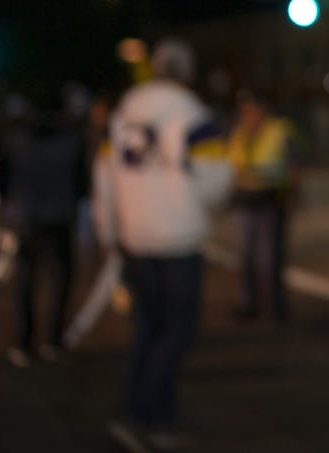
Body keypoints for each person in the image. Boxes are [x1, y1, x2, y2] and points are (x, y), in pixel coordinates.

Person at [93, 38, 233, 451]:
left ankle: (160, 420)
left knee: (148, 328)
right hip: (178, 237)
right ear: (187, 72)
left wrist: (108, 231)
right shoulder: (193, 115)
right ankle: (137, 412)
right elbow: (216, 181)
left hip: (135, 235)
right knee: (178, 331)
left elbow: (103, 176)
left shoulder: (123, 113)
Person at [0, 84, 89, 365]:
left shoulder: (15, 140)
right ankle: (53, 339)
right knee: (61, 281)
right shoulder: (72, 141)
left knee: (25, 281)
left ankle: (24, 341)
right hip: (59, 217)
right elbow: (82, 184)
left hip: (25, 217)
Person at [225, 88, 301, 321]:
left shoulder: (279, 131)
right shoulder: (238, 134)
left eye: (252, 109)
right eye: (245, 111)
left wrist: (294, 196)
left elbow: (293, 166)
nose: (249, 115)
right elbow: (231, 167)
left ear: (264, 109)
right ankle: (248, 304)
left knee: (271, 258)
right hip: (244, 202)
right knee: (246, 257)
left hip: (271, 201)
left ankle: (277, 304)